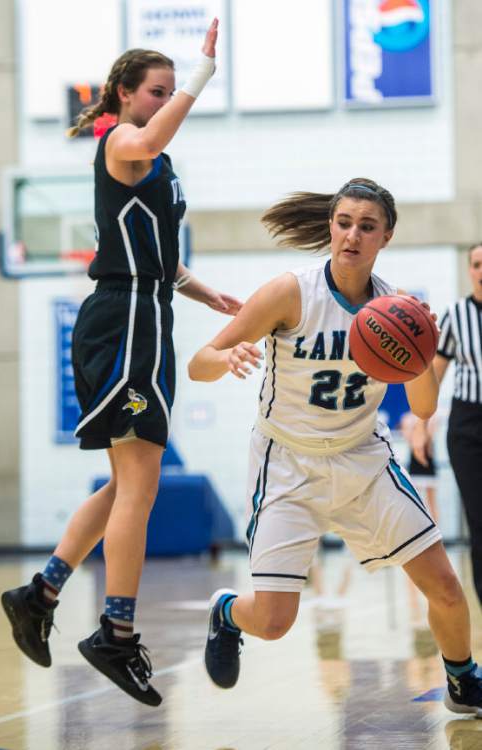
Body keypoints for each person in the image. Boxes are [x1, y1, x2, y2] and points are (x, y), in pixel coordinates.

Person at [1, 18, 242, 707]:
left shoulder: (157, 164)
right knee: (141, 483)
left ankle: (40, 591)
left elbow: (159, 258)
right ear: (126, 96)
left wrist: (206, 292)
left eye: (171, 89)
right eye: (156, 90)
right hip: (123, 320)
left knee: (124, 485)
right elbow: (156, 136)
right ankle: (117, 631)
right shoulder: (123, 144)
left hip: (149, 316)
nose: (165, 100)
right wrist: (201, 77)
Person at [189, 180, 482, 715]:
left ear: (385, 237)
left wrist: (420, 348)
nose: (352, 235)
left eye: (366, 226)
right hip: (288, 463)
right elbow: (199, 361)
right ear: (331, 226)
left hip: (361, 457)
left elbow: (421, 408)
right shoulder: (290, 292)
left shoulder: (397, 310)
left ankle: (463, 680)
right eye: (344, 222)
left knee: (443, 585)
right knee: (275, 623)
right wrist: (226, 359)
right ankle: (227, 612)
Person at [412, 243, 482, 605]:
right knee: (478, 519)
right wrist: (421, 427)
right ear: (469, 270)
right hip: (469, 425)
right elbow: (434, 375)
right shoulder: (456, 314)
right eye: (477, 264)